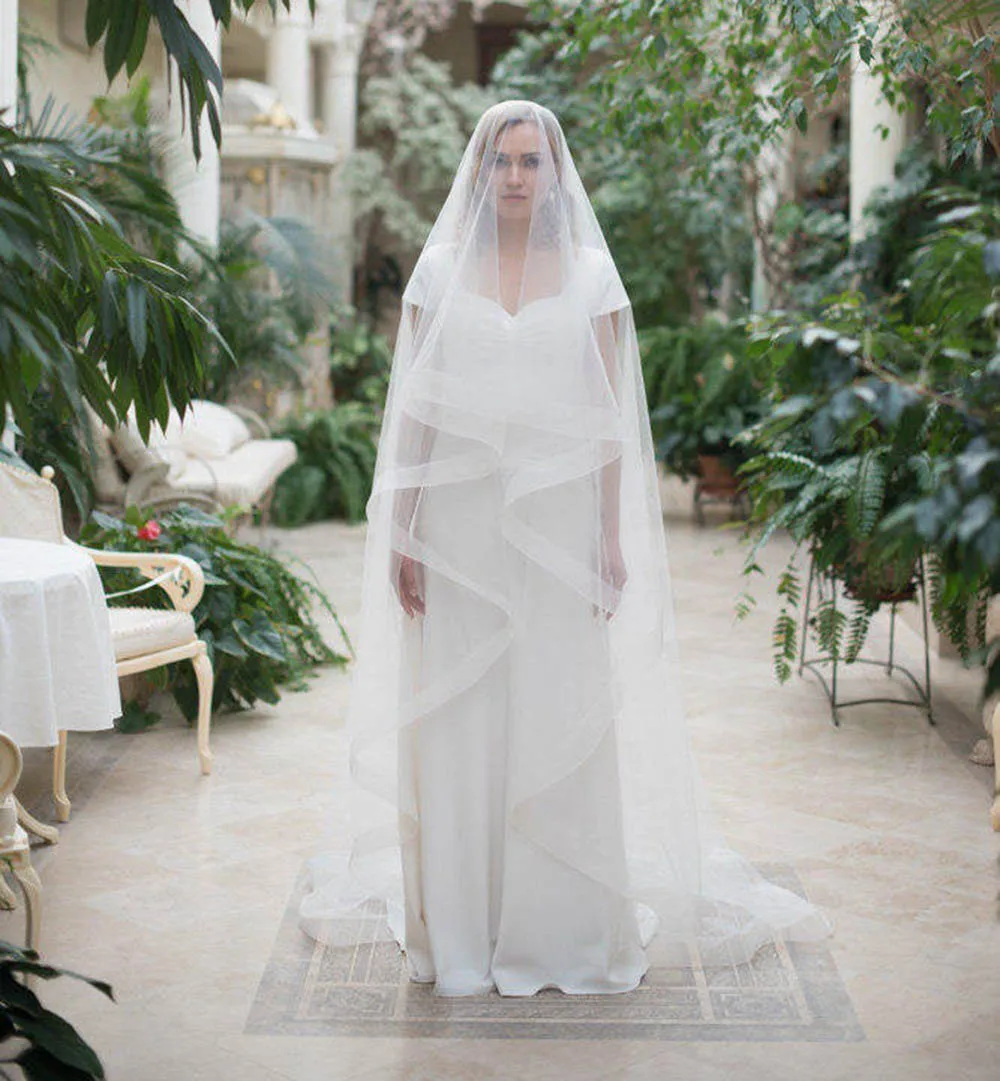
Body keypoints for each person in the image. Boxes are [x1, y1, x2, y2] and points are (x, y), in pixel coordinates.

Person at [299, 100, 834, 997]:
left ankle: (557, 928)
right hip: (461, 531)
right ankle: (464, 929)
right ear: (478, 172)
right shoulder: (436, 270)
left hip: (554, 533)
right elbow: (415, 413)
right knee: (462, 717)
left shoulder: (591, 275)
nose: (514, 177)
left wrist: (609, 535)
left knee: (553, 704)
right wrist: (404, 528)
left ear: (553, 173)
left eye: (529, 162)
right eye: (501, 162)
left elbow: (610, 424)